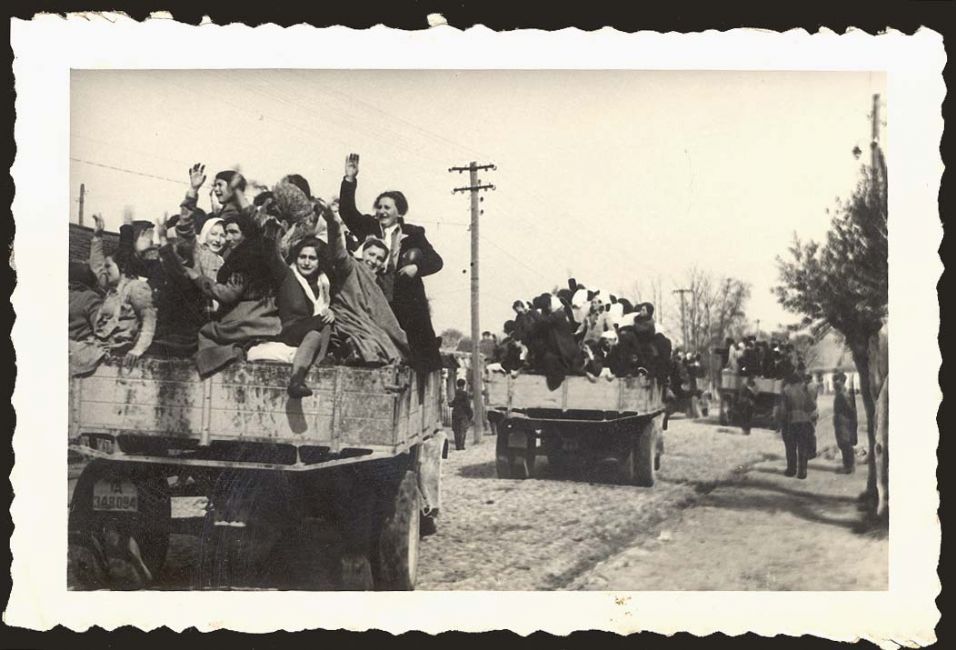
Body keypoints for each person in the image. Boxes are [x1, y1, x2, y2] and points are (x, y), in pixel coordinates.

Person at [338, 152, 444, 372]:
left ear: (399, 211)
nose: (382, 211)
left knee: (414, 350)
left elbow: (436, 261)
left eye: (387, 207)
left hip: (404, 298)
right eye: (379, 207)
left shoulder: (413, 233)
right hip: (373, 294)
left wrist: (416, 267)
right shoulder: (368, 226)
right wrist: (349, 178)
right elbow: (346, 211)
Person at [192, 212, 286, 377]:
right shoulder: (265, 256)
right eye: (227, 233)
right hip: (267, 321)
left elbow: (228, 294)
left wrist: (199, 280)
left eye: (233, 232)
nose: (228, 238)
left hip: (246, 322)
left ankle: (230, 354)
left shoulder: (245, 259)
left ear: (246, 234)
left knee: (207, 332)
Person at [319, 201, 410, 367]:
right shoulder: (350, 267)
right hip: (347, 323)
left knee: (386, 348)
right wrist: (333, 223)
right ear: (363, 253)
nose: (374, 261)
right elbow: (338, 252)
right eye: (371, 254)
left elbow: (387, 320)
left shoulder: (377, 284)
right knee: (371, 346)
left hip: (368, 328)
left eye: (379, 258)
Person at [72, 216, 157, 376]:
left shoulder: (136, 288)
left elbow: (149, 320)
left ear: (122, 267)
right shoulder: (113, 289)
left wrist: (138, 349)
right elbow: (97, 267)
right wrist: (97, 237)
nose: (105, 270)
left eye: (109, 266)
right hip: (103, 343)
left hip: (119, 346)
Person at [276, 236, 336, 397]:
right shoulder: (288, 275)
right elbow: (274, 258)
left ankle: (297, 381)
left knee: (317, 332)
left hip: (309, 331)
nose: (306, 262)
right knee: (323, 323)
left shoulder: (323, 282)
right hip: (288, 329)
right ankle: (318, 364)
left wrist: (330, 311)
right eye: (302, 257)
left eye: (312, 258)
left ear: (319, 261)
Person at [777, 369, 819, 479]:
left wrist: (781, 421)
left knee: (791, 447)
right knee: (803, 446)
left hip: (791, 422)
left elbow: (783, 410)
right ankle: (802, 471)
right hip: (804, 421)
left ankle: (791, 470)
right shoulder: (804, 389)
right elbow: (812, 406)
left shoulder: (786, 390)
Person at [832, 372, 858, 473]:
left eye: (836, 380)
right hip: (842, 420)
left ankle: (848, 467)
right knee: (844, 443)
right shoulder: (842, 393)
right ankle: (848, 465)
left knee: (845, 443)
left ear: (842, 381)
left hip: (843, 420)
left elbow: (849, 409)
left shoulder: (842, 394)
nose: (834, 383)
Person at [449, 379, 474, 451]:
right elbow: (467, 405)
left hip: (455, 414)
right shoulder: (464, 394)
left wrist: (449, 403)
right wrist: (470, 414)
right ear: (463, 385)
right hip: (463, 414)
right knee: (463, 430)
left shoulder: (456, 394)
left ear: (457, 385)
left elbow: (452, 404)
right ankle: (461, 446)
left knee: (456, 431)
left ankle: (457, 446)